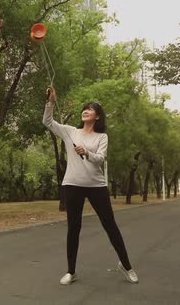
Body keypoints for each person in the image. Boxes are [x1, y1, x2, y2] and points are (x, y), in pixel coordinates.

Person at [42, 86, 139, 285]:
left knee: (110, 226)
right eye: (85, 108)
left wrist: (86, 152)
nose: (86, 110)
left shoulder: (101, 137)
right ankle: (71, 271)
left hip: (96, 186)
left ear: (97, 117)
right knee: (73, 228)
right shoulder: (70, 131)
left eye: (91, 109)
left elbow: (100, 160)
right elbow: (47, 121)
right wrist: (50, 102)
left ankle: (126, 265)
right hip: (73, 184)